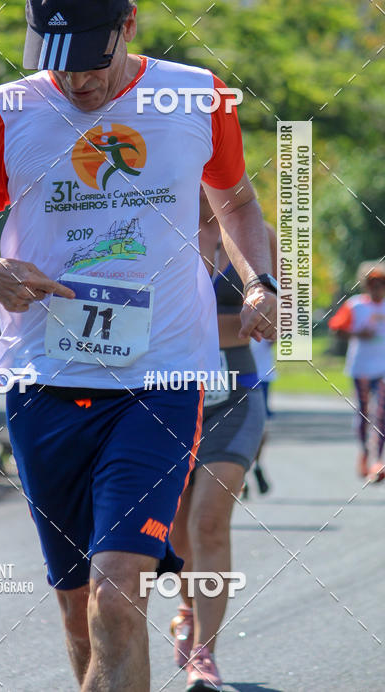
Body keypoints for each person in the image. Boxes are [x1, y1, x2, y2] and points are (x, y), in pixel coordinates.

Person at [0, 0, 277, 691]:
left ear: (129, 25)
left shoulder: (198, 99)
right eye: (58, 59)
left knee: (119, 592)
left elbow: (238, 203)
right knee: (80, 605)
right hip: (45, 380)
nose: (77, 79)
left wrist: (261, 282)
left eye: (91, 58)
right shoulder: (7, 111)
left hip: (163, 377)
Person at [168, 193, 277, 691]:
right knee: (176, 531)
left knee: (209, 520)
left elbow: (285, 323)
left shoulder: (259, 238)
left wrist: (265, 316)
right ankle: (187, 608)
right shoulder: (154, 227)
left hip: (235, 394)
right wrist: (236, 324)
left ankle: (205, 654)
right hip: (165, 396)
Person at [328, 261, 385, 482]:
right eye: (372, 283)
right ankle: (364, 453)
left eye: (381, 283)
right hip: (360, 367)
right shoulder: (355, 306)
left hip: (382, 368)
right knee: (363, 414)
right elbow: (336, 329)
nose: (377, 287)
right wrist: (357, 333)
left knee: (381, 414)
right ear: (365, 285)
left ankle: (378, 461)